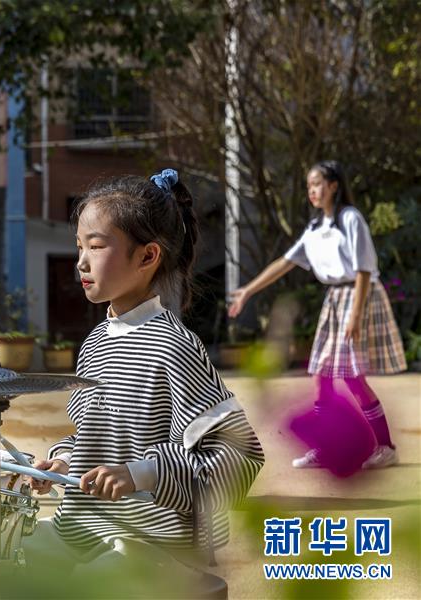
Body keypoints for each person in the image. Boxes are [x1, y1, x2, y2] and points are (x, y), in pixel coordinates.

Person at [24, 171, 264, 571]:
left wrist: (144, 473)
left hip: (151, 543)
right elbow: (93, 434)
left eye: (96, 246)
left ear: (148, 256)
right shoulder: (96, 342)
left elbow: (242, 457)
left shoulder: (175, 346)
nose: (81, 261)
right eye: (79, 246)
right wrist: (65, 461)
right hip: (83, 528)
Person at [228, 160, 406, 470]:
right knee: (321, 375)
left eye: (317, 184)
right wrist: (248, 291)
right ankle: (324, 447)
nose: (312, 190)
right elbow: (284, 263)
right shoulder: (315, 228)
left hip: (358, 295)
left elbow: (364, 269)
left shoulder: (350, 219)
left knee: (352, 378)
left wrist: (355, 314)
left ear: (334, 186)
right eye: (309, 185)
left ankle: (386, 447)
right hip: (335, 299)